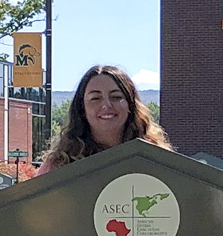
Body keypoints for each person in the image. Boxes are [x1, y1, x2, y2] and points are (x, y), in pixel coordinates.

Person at [37, 65, 171, 173]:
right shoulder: (58, 166)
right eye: (95, 98)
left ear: (131, 105)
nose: (106, 105)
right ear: (82, 108)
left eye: (116, 97)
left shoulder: (158, 160)